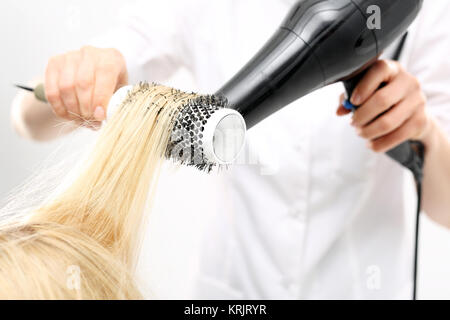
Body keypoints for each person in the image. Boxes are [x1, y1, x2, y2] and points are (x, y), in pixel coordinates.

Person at [11, 0, 450, 299]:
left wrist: (421, 130)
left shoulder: (420, 18)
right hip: (230, 295)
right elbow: (28, 118)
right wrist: (71, 83)